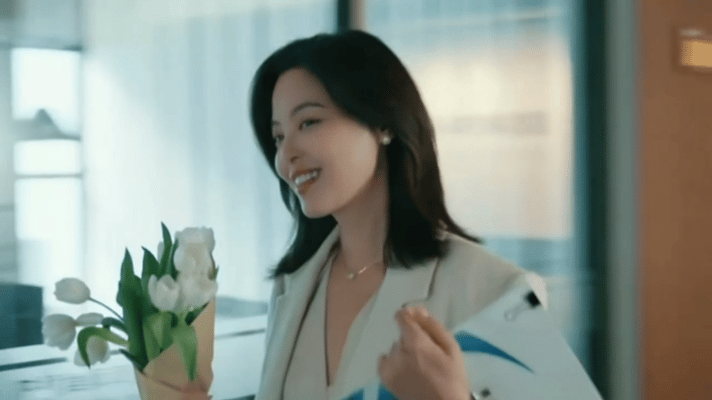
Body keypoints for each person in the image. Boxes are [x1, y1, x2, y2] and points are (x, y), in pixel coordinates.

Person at [249, 30, 595, 400]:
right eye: (278, 137)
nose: (286, 156)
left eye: (309, 123)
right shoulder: (292, 288)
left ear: (382, 124)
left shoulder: (494, 289)